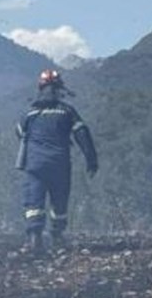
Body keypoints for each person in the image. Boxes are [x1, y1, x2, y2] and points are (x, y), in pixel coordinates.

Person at [15, 69, 99, 256]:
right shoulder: (67, 111)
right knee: (59, 201)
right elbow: (82, 134)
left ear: (40, 88)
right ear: (59, 88)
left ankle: (35, 238)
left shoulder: (30, 113)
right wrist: (91, 160)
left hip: (35, 165)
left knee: (34, 202)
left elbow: (20, 132)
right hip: (59, 164)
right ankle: (57, 236)